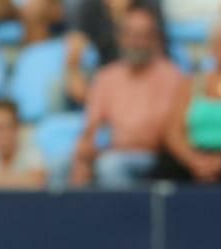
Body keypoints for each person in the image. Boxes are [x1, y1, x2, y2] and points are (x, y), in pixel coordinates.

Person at [70, 6, 186, 186]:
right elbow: (91, 128)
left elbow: (164, 132)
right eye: (130, 34)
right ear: (120, 38)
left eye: (142, 35)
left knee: (110, 166)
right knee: (61, 166)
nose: (136, 42)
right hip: (111, 152)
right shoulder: (106, 77)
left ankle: (123, 214)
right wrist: (83, 156)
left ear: (154, 39)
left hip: (153, 158)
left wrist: (119, 143)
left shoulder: (172, 77)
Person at [152, 15, 221, 183]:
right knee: (163, 169)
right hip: (196, 155)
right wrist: (193, 160)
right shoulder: (191, 84)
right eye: (220, 43)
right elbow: (173, 131)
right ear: (211, 47)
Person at [64, 0, 167, 106]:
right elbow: (74, 58)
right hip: (108, 77)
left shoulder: (149, 6)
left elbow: (159, 57)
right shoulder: (89, 6)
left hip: (143, 73)